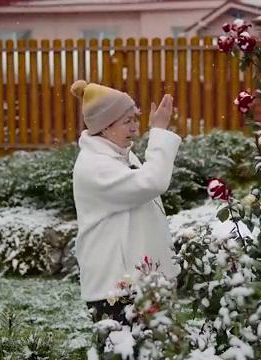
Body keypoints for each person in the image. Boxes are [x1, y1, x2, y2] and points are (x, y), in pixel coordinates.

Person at [70, 80, 181, 324]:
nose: (135, 129)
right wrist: (159, 132)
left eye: (135, 119)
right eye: (127, 121)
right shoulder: (95, 166)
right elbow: (152, 182)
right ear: (104, 127)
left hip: (138, 282)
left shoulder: (121, 156)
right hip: (115, 290)